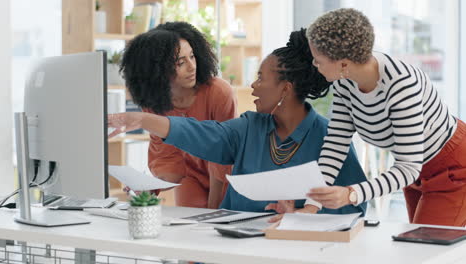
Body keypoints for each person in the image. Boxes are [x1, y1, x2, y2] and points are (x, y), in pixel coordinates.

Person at [110, 29, 367, 221]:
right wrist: (143, 120)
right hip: (232, 244)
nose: (253, 86)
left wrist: (300, 214)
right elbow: (203, 134)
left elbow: (354, 208)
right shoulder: (249, 127)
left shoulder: (330, 137)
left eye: (260, 78)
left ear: (285, 90)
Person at [305, 8, 466, 226]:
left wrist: (351, 194)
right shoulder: (344, 82)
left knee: (425, 248)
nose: (315, 66)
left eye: (317, 60)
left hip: (451, 164)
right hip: (414, 167)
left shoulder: (401, 85)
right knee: (415, 245)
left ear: (343, 63)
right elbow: (336, 144)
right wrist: (311, 205)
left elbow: (408, 167)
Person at [120, 22, 237, 209]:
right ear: (158, 70)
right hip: (190, 177)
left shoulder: (219, 92)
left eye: (192, 56)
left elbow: (223, 157)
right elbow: (168, 160)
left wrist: (214, 211)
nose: (192, 67)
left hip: (228, 175)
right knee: (190, 227)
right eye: (181, 62)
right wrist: (150, 187)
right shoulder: (154, 103)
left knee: (216, 222)